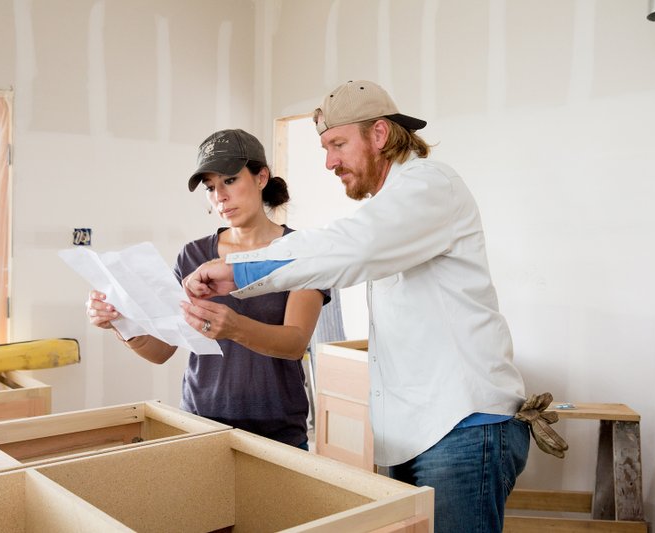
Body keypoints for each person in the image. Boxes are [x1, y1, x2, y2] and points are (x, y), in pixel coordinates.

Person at [183, 81, 530, 532]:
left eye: (337, 145)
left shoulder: (430, 186)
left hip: (461, 426)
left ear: (380, 135)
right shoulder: (390, 208)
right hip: (422, 434)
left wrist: (237, 271)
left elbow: (348, 248)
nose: (329, 162)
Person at [86, 128, 328, 450]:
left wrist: (235, 327)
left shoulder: (299, 250)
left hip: (278, 428)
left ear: (261, 177)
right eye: (210, 187)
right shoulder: (194, 255)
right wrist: (121, 324)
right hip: (202, 423)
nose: (220, 197)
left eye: (229, 180)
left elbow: (294, 343)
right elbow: (162, 350)